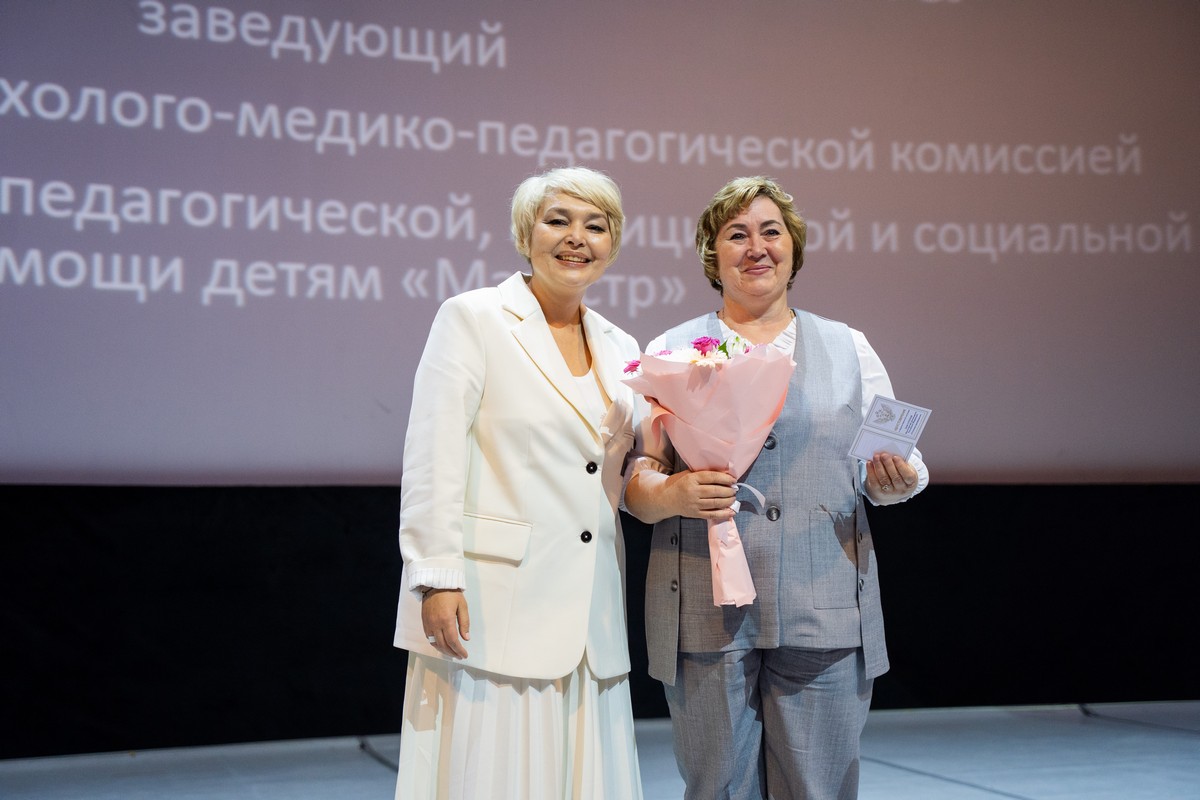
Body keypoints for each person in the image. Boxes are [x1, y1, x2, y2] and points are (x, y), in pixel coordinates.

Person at [624, 176, 929, 800]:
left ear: (794, 248)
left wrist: (892, 480)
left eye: (771, 232)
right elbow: (637, 478)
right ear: (712, 254)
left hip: (824, 606)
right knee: (716, 789)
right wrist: (673, 494)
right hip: (705, 610)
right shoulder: (670, 350)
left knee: (818, 789)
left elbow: (893, 467)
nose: (756, 247)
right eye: (737, 234)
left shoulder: (849, 346)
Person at [392, 167, 644, 800]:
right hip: (492, 603)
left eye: (596, 225)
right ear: (525, 233)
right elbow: (432, 453)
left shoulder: (622, 347)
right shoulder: (473, 317)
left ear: (613, 242)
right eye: (558, 220)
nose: (576, 237)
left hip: (590, 615)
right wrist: (436, 575)